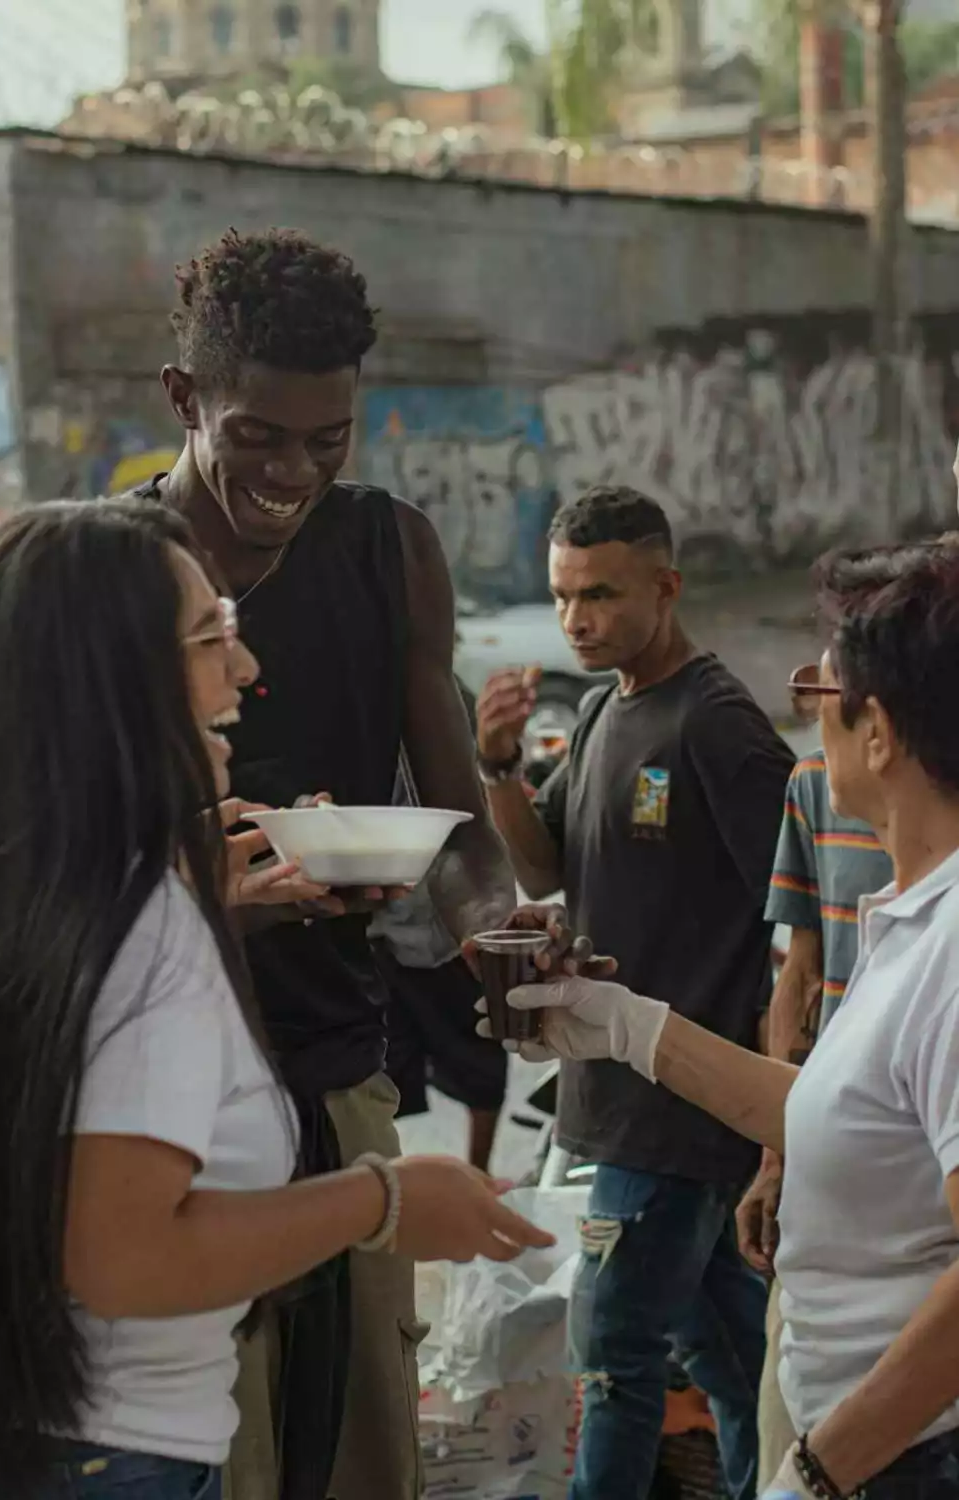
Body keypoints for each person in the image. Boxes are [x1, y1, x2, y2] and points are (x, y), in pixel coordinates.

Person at [0, 500, 554, 1500]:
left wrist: (202, 897)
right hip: (104, 1458)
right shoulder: (140, 925)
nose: (245, 670)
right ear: (109, 680)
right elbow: (125, 1256)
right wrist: (384, 1199)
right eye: (209, 638)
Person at [127, 227, 517, 1500]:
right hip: (160, 1094)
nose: (292, 474)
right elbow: (54, 872)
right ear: (184, 399)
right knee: (217, 1453)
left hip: (339, 1070)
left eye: (326, 440)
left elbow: (456, 826)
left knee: (359, 1457)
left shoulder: (387, 550)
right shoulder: (107, 573)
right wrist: (228, 899)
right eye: (256, 437)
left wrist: (504, 937)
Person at [497, 539, 959, 1498]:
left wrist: (824, 1471)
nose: (808, 719)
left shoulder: (951, 947)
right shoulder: (908, 915)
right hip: (868, 1442)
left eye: (818, 693)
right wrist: (623, 1026)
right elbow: (845, 1112)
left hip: (906, 1460)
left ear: (879, 732)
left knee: (621, 1353)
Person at [474, 485, 796, 1500]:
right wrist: (496, 765)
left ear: (666, 586)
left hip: (680, 1110)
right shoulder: (604, 710)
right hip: (611, 1096)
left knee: (612, 1365)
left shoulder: (717, 724)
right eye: (563, 596)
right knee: (735, 1363)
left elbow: (802, 917)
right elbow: (542, 866)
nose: (576, 619)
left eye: (602, 595)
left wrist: (777, 1123)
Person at [739, 742, 892, 1488]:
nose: (812, 698)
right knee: (786, 1429)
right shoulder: (813, 783)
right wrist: (776, 1156)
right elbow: (802, 973)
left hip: (919, 1189)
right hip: (824, 1173)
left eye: (830, 690)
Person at [374, 677, 506, 1172]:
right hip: (382, 934)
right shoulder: (357, 702)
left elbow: (475, 828)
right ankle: (387, 1180)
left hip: (451, 933)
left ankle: (478, 1173)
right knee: (380, 1068)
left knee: (480, 1062)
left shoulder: (442, 690)